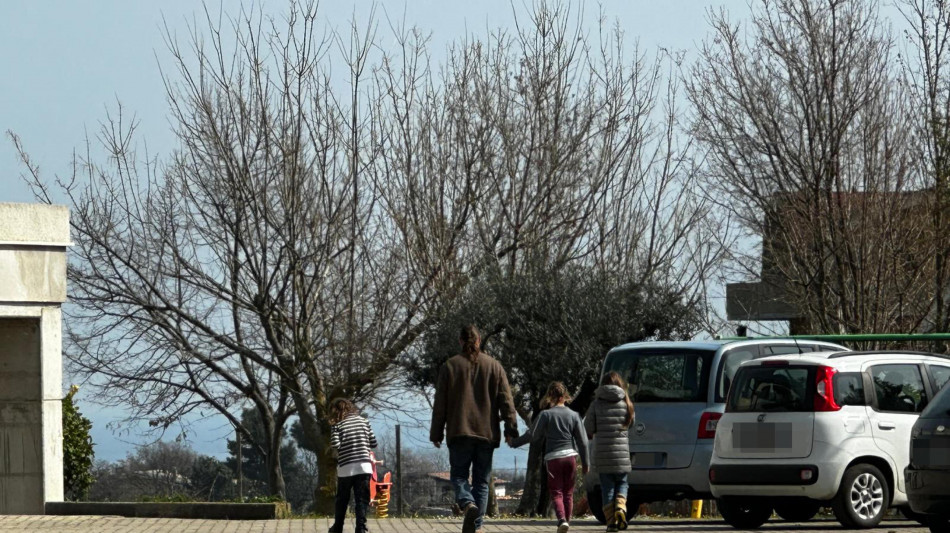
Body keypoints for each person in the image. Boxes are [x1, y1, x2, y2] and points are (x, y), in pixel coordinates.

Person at [430, 324, 520, 533]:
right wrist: (510, 429)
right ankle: (476, 526)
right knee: (482, 481)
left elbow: (440, 404)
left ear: (461, 341)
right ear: (479, 341)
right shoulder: (494, 366)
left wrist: (436, 433)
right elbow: (506, 400)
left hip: (459, 431)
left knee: (459, 476)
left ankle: (467, 503)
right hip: (486, 433)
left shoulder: (450, 366)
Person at [531, 381, 590, 533]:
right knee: (568, 493)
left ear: (550, 396)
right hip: (570, 457)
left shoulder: (545, 415)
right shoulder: (574, 415)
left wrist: (545, 433)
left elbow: (535, 435)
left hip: (553, 458)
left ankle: (562, 520)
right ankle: (567, 523)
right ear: (565, 396)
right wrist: (585, 463)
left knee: (556, 492)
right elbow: (582, 441)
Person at [585, 372, 635, 532]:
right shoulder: (626, 402)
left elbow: (588, 428)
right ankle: (621, 507)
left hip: (603, 454)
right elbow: (632, 423)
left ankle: (611, 524)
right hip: (621, 455)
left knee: (607, 488)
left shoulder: (596, 404)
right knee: (622, 483)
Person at [328, 398, 378, 533]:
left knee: (342, 499)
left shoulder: (337, 425)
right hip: (364, 467)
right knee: (361, 499)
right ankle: (361, 528)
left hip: (346, 468)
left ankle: (337, 528)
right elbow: (373, 443)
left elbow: (335, 444)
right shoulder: (364, 421)